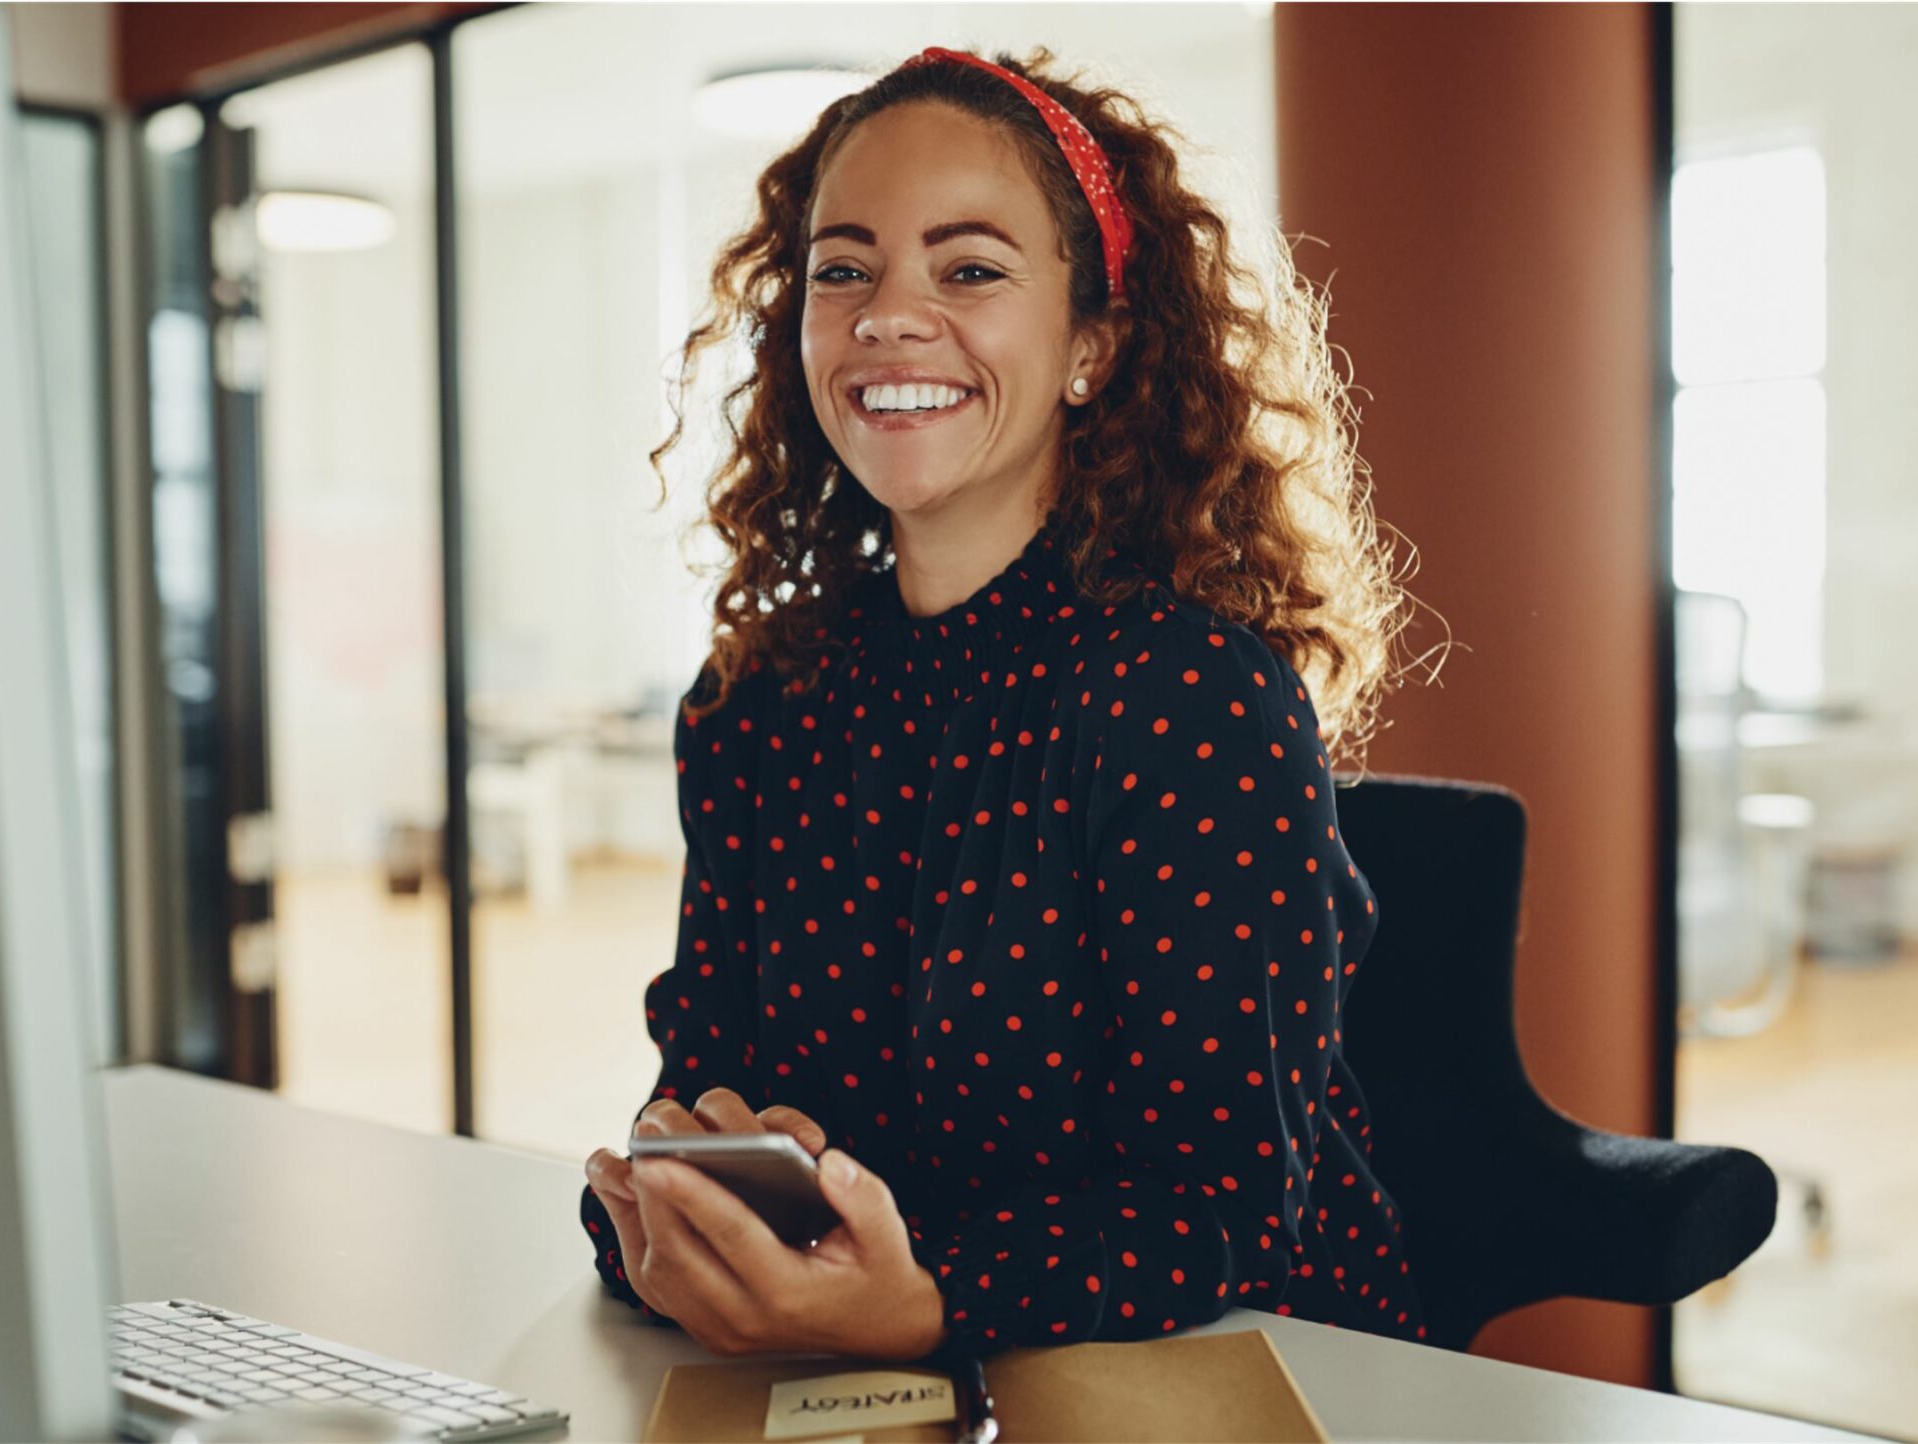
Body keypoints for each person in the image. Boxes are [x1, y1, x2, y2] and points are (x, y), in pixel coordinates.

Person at [578, 43, 1424, 1364]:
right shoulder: (754, 700)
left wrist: (927, 1303)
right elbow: (695, 1087)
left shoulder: (1188, 697)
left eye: (968, 269)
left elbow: (1222, 1210)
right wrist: (664, 1203)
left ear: (1091, 347)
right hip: (864, 1373)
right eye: (842, 269)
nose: (889, 316)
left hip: (1243, 1365)